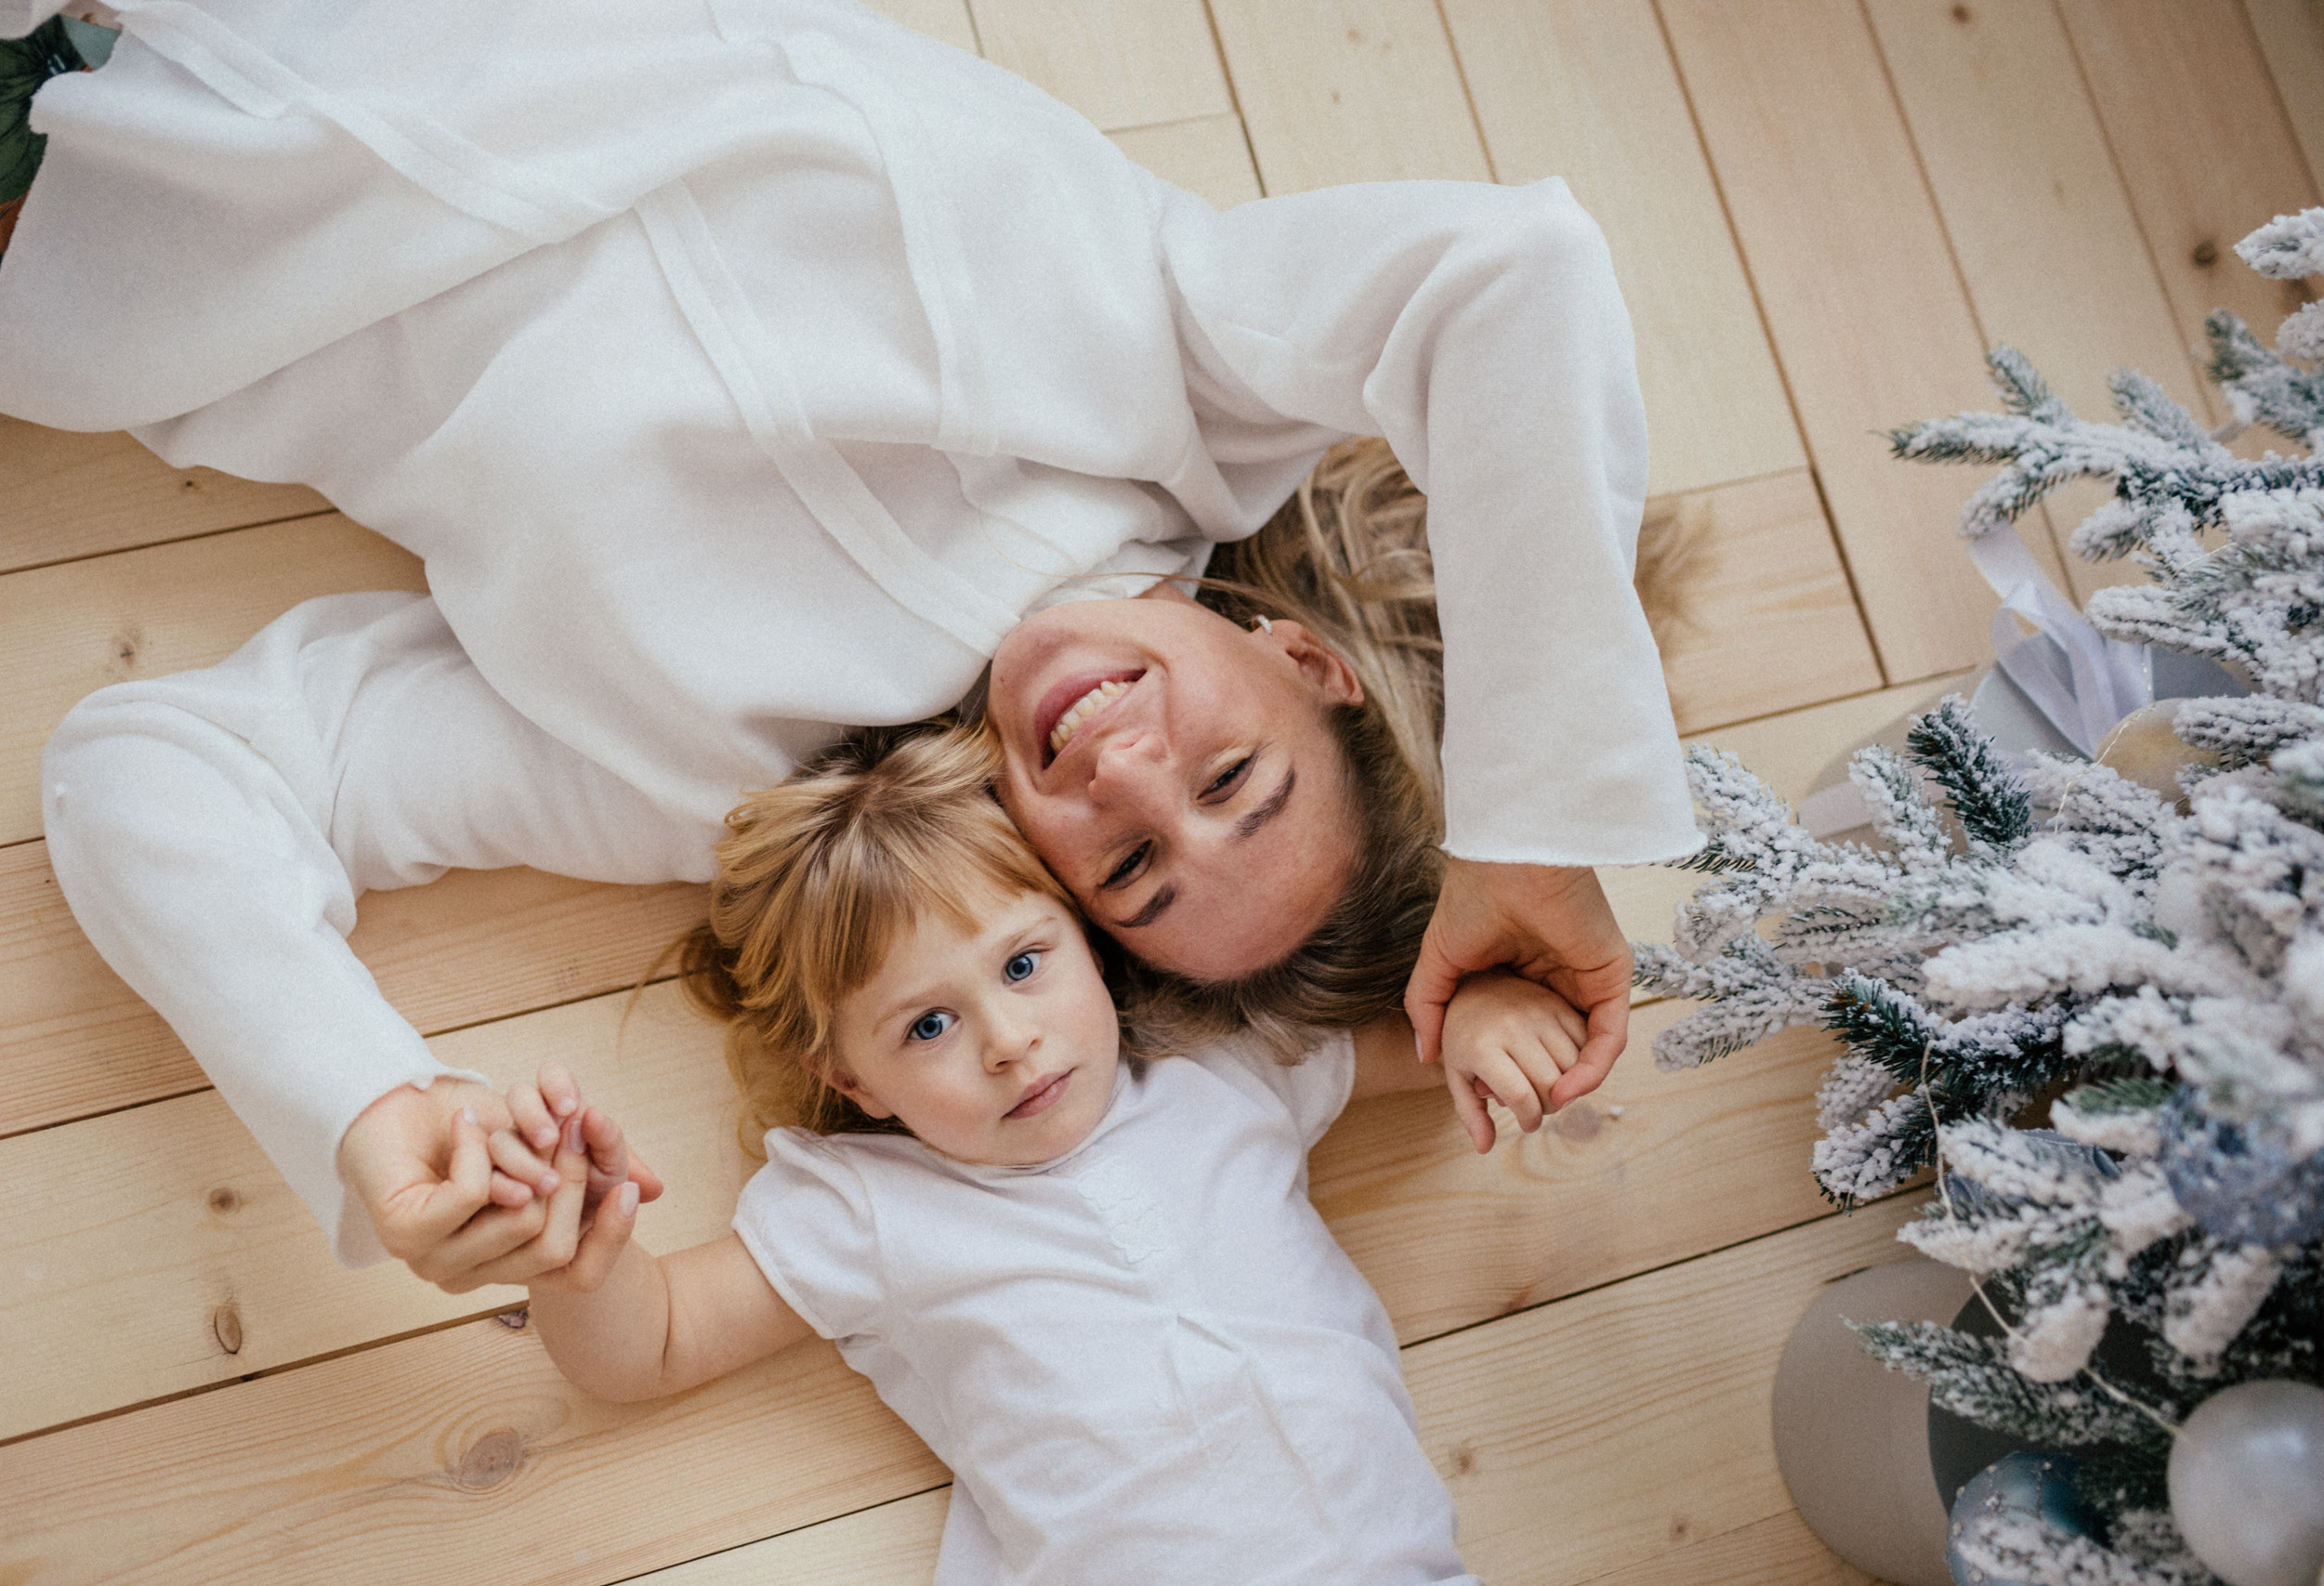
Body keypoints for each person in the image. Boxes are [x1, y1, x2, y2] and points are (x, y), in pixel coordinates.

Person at [7, 0, 1700, 1282]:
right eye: (1230, 777)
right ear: (1305, 661)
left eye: (1128, 867)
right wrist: (1530, 833)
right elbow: (1510, 274)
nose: (1123, 772)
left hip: (91, 208)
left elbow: (158, 766)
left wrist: (368, 1105)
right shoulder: (1183, 367)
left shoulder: (722, 782)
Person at [517, 725, 1589, 1584]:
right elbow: (650, 1345)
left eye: (1025, 964)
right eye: (927, 1026)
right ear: (852, 1082)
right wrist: (573, 1246)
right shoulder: (868, 1208)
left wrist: (1481, 1011)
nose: (1007, 1041)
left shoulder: (1225, 1067)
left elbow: (1418, 1041)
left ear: (1089, 938)